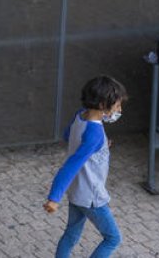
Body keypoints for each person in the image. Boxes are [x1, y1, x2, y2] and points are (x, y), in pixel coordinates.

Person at [44, 76, 128, 258]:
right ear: (104, 104)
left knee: (71, 234)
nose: (119, 110)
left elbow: (69, 135)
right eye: (117, 106)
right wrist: (54, 197)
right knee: (113, 238)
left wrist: (102, 145)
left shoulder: (80, 115)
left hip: (76, 192)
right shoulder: (95, 133)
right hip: (92, 196)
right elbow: (71, 165)